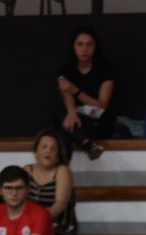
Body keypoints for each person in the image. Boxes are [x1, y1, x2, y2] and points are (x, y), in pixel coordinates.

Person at [57, 26, 114, 161]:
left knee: (67, 131)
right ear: (73, 47)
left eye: (89, 44)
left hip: (95, 121)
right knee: (58, 110)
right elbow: (66, 96)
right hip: (73, 119)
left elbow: (101, 105)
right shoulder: (65, 70)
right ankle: (88, 144)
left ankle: (62, 171)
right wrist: (72, 112)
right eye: (80, 44)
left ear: (95, 47)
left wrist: (75, 90)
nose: (84, 49)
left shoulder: (106, 70)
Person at [25, 130, 77, 235]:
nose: (48, 151)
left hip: (58, 223)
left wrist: (39, 220)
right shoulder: (27, 170)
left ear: (58, 155)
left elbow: (60, 203)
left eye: (53, 149)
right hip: (31, 221)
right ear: (36, 151)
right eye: (44, 147)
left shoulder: (63, 170)